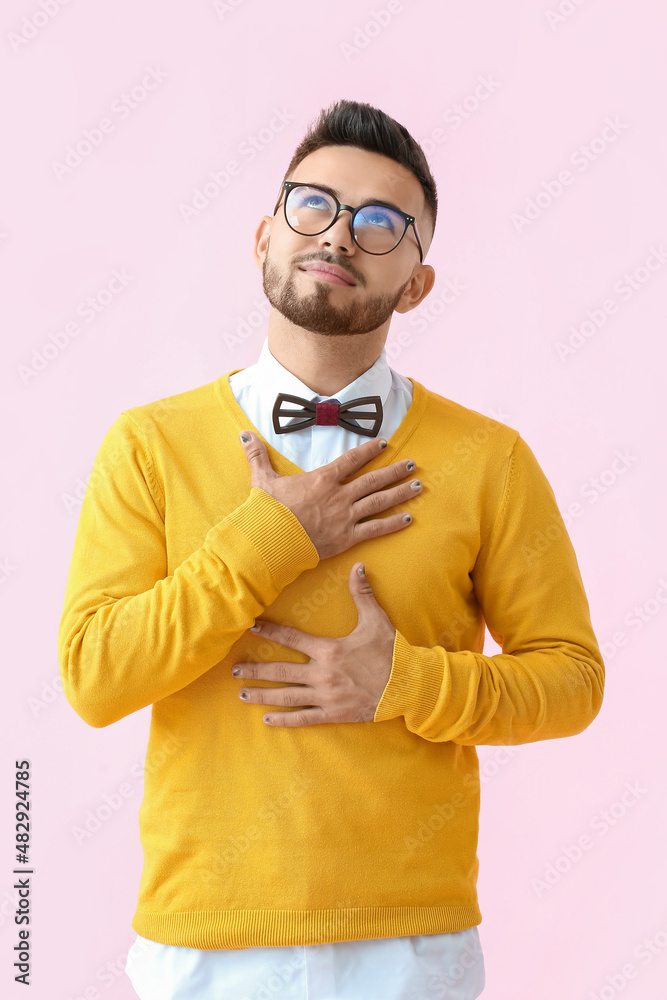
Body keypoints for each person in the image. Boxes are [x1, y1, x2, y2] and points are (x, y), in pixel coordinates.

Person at [57, 99, 605, 1000]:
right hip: (202, 945)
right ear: (266, 235)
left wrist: (406, 683)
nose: (340, 235)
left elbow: (571, 680)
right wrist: (274, 539)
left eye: (381, 223)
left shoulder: (489, 459)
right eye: (315, 205)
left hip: (412, 949)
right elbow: (94, 677)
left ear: (416, 283)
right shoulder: (147, 444)